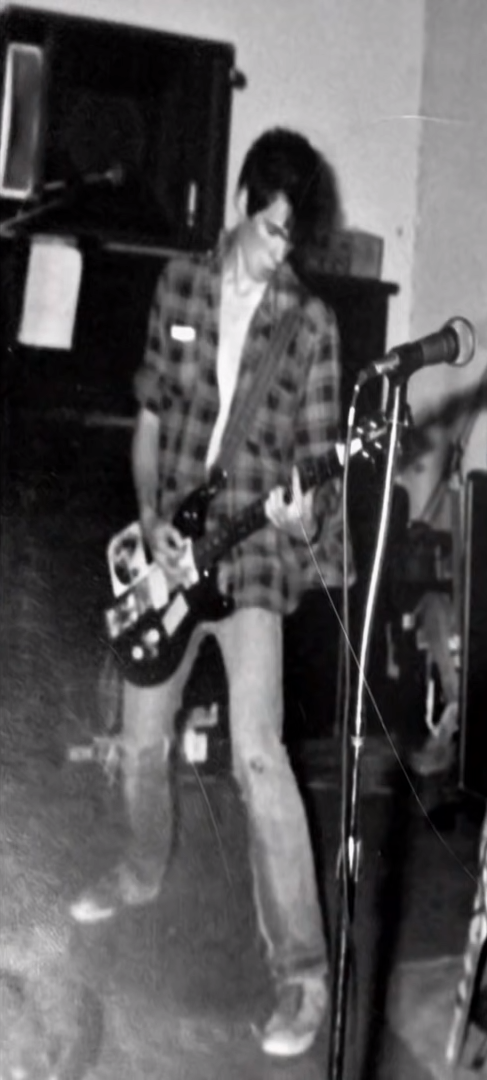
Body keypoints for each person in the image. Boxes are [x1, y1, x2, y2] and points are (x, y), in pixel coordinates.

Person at [68, 128, 346, 1059]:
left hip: (253, 555)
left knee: (260, 758)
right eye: (269, 232)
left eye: (291, 241)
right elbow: (149, 419)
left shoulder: (311, 325)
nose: (277, 256)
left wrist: (306, 513)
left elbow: (319, 479)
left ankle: (303, 976)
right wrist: (151, 515)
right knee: (138, 741)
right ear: (240, 205)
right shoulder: (180, 287)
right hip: (171, 551)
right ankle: (140, 868)